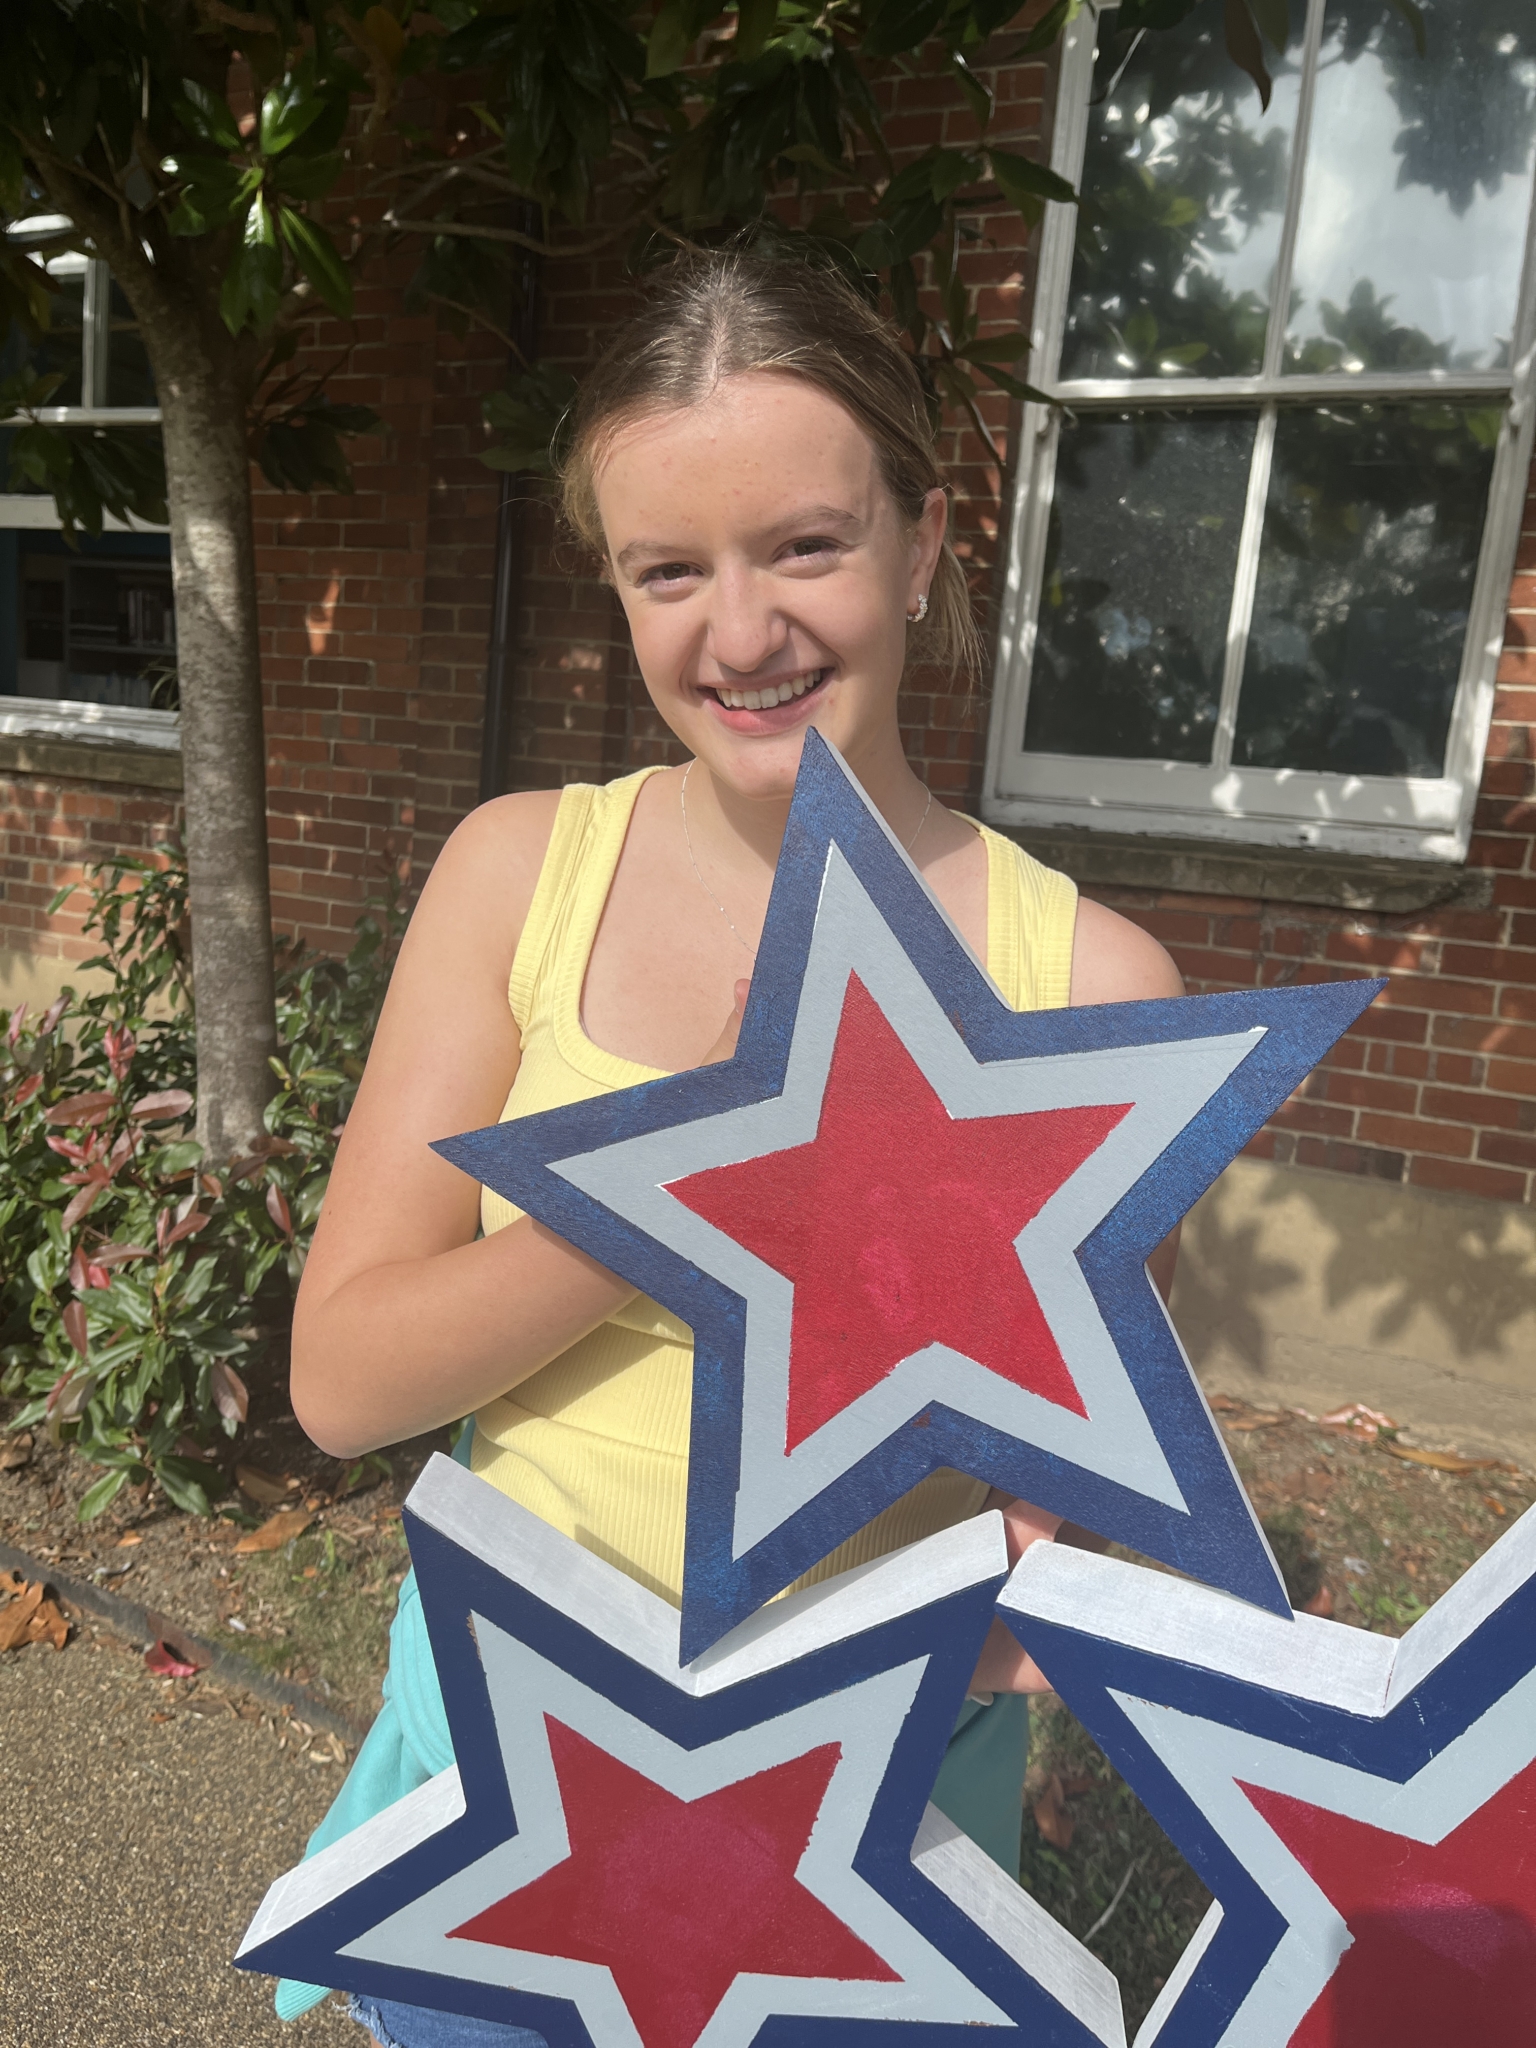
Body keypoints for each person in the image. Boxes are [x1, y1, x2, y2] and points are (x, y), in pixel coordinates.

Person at [277, 251, 1183, 2045]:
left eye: (806, 547)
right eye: (669, 570)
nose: (743, 633)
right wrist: (683, 1166)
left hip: (871, 1829)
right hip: (512, 1777)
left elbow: (1096, 1462)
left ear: (923, 545)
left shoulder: (1083, 983)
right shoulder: (523, 873)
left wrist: (1038, 1573)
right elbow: (341, 1382)